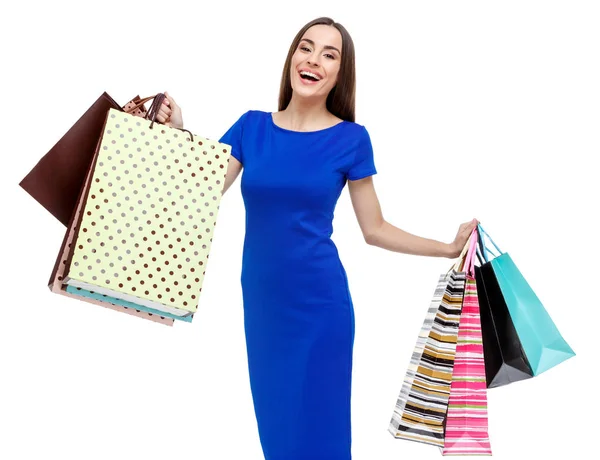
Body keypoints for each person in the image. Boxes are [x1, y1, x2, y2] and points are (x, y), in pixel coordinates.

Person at [156, 17, 477, 460]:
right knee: (279, 436)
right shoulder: (252, 128)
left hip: (321, 307)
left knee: (321, 439)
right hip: (265, 308)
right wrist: (177, 130)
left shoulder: (351, 140)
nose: (314, 60)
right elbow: (199, 191)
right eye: (306, 48)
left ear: (340, 74)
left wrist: (446, 247)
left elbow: (375, 229)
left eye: (330, 54)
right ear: (292, 58)